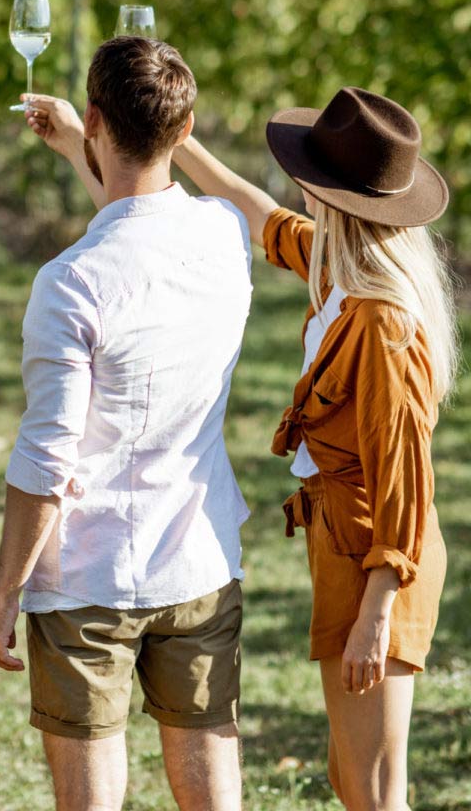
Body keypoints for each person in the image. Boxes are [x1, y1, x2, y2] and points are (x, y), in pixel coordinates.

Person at [0, 36, 252, 811]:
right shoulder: (226, 232)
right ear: (185, 127)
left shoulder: (70, 282)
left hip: (87, 579)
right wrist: (81, 148)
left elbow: (47, 459)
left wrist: (4, 594)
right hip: (198, 559)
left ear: (96, 116)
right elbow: (146, 226)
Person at [171, 86, 455, 810]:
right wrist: (179, 141)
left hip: (378, 557)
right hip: (343, 541)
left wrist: (377, 611)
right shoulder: (339, 269)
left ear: (333, 198)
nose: (296, 188)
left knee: (374, 789)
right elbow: (258, 215)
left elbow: (405, 478)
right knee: (352, 778)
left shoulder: (383, 323)